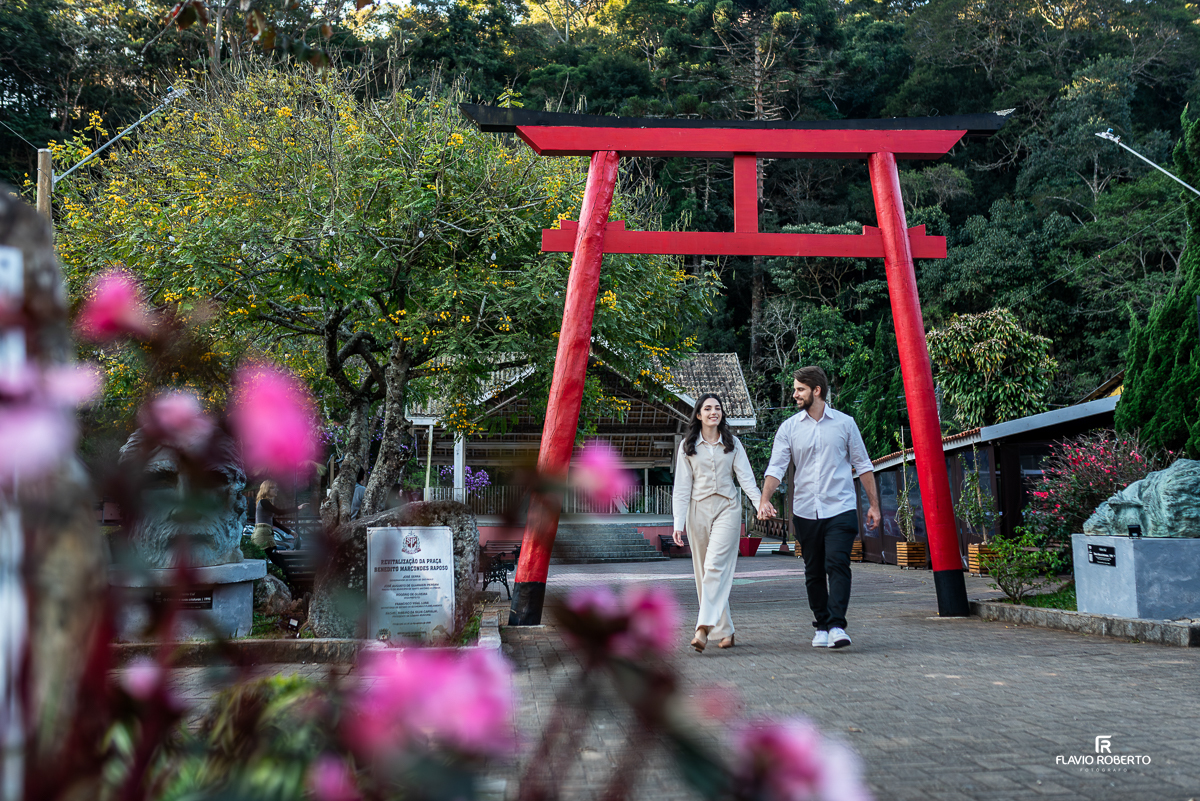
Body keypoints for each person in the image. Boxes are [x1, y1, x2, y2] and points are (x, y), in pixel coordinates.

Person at [758, 366, 880, 649]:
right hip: (805, 510)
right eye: (795, 389)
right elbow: (776, 467)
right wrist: (765, 499)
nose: (794, 394)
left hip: (841, 507)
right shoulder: (789, 428)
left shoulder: (845, 424)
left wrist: (873, 505)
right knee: (813, 570)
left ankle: (837, 625)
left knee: (837, 563)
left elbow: (863, 465)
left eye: (800, 389)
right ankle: (821, 625)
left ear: (817, 390)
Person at [672, 393, 763, 652]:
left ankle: (702, 628)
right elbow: (681, 488)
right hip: (697, 510)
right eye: (708, 408)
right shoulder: (687, 446)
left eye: (718, 408)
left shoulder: (732, 444)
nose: (714, 412)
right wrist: (678, 523)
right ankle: (726, 630)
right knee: (704, 573)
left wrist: (759, 504)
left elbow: (746, 480)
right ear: (699, 415)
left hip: (727, 508)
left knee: (714, 566)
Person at [252, 479, 301, 552]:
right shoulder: (264, 502)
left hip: (265, 533)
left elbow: (274, 522)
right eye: (274, 488)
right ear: (267, 489)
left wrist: (290, 532)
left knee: (273, 556)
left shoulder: (265, 502)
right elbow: (279, 512)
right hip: (263, 533)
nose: (277, 490)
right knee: (273, 556)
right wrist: (297, 508)